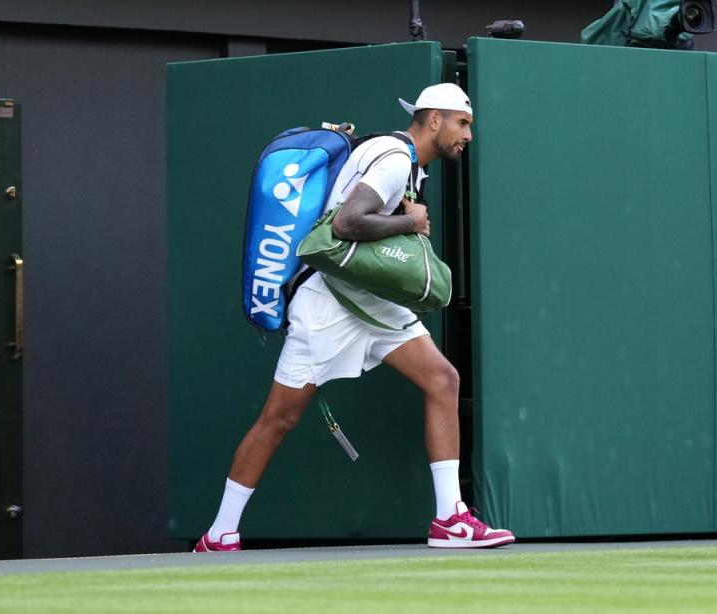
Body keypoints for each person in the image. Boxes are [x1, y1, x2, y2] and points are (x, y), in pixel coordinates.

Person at [195, 83, 514, 552]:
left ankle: (451, 519)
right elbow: (346, 224)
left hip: (370, 300)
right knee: (278, 419)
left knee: (443, 380)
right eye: (462, 123)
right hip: (328, 305)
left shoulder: (400, 159)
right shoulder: (394, 159)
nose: (468, 134)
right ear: (433, 120)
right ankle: (219, 532)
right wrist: (412, 222)